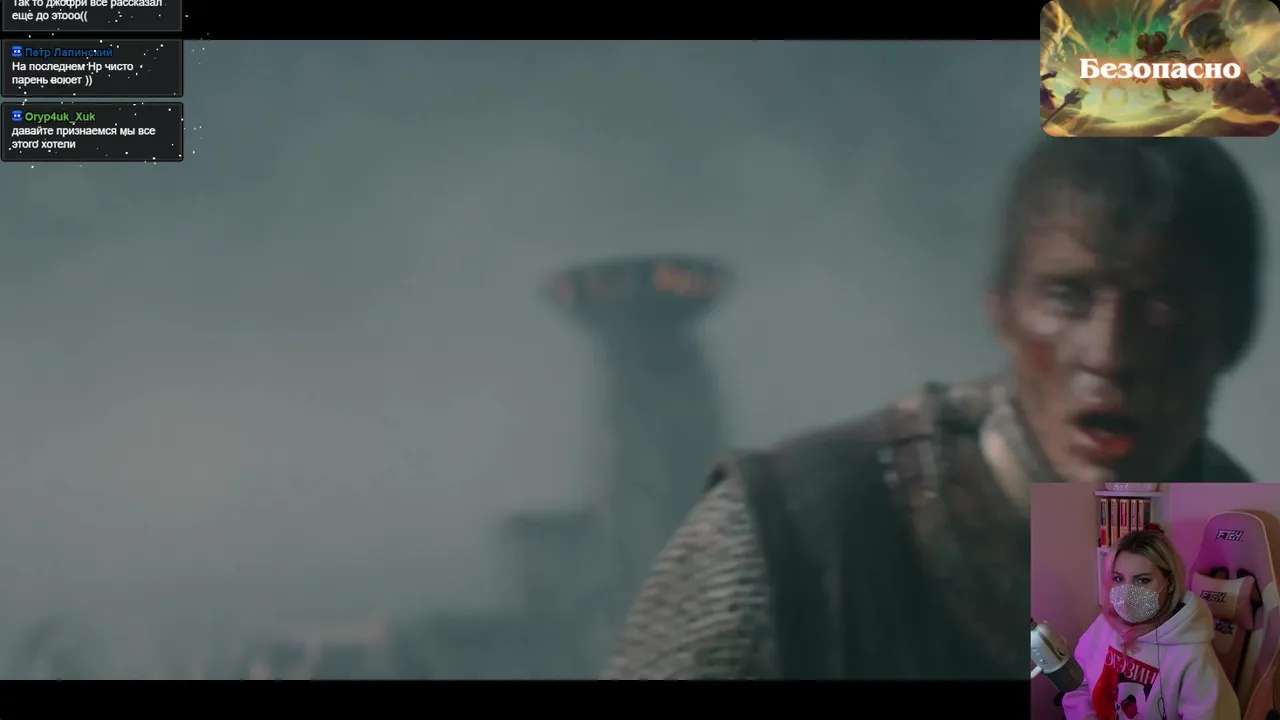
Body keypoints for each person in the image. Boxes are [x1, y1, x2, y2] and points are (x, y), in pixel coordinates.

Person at [601, 137, 1263, 680]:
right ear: (1003, 310)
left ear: (1231, 333)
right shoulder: (799, 537)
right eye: (1068, 298)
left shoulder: (1234, 568)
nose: (1111, 355)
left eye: (1164, 306)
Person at [1063, 529, 1239, 720]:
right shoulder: (1103, 626)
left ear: (1169, 583)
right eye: (1119, 579)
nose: (1128, 594)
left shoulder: (1193, 654)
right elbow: (1076, 685)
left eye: (1143, 580)